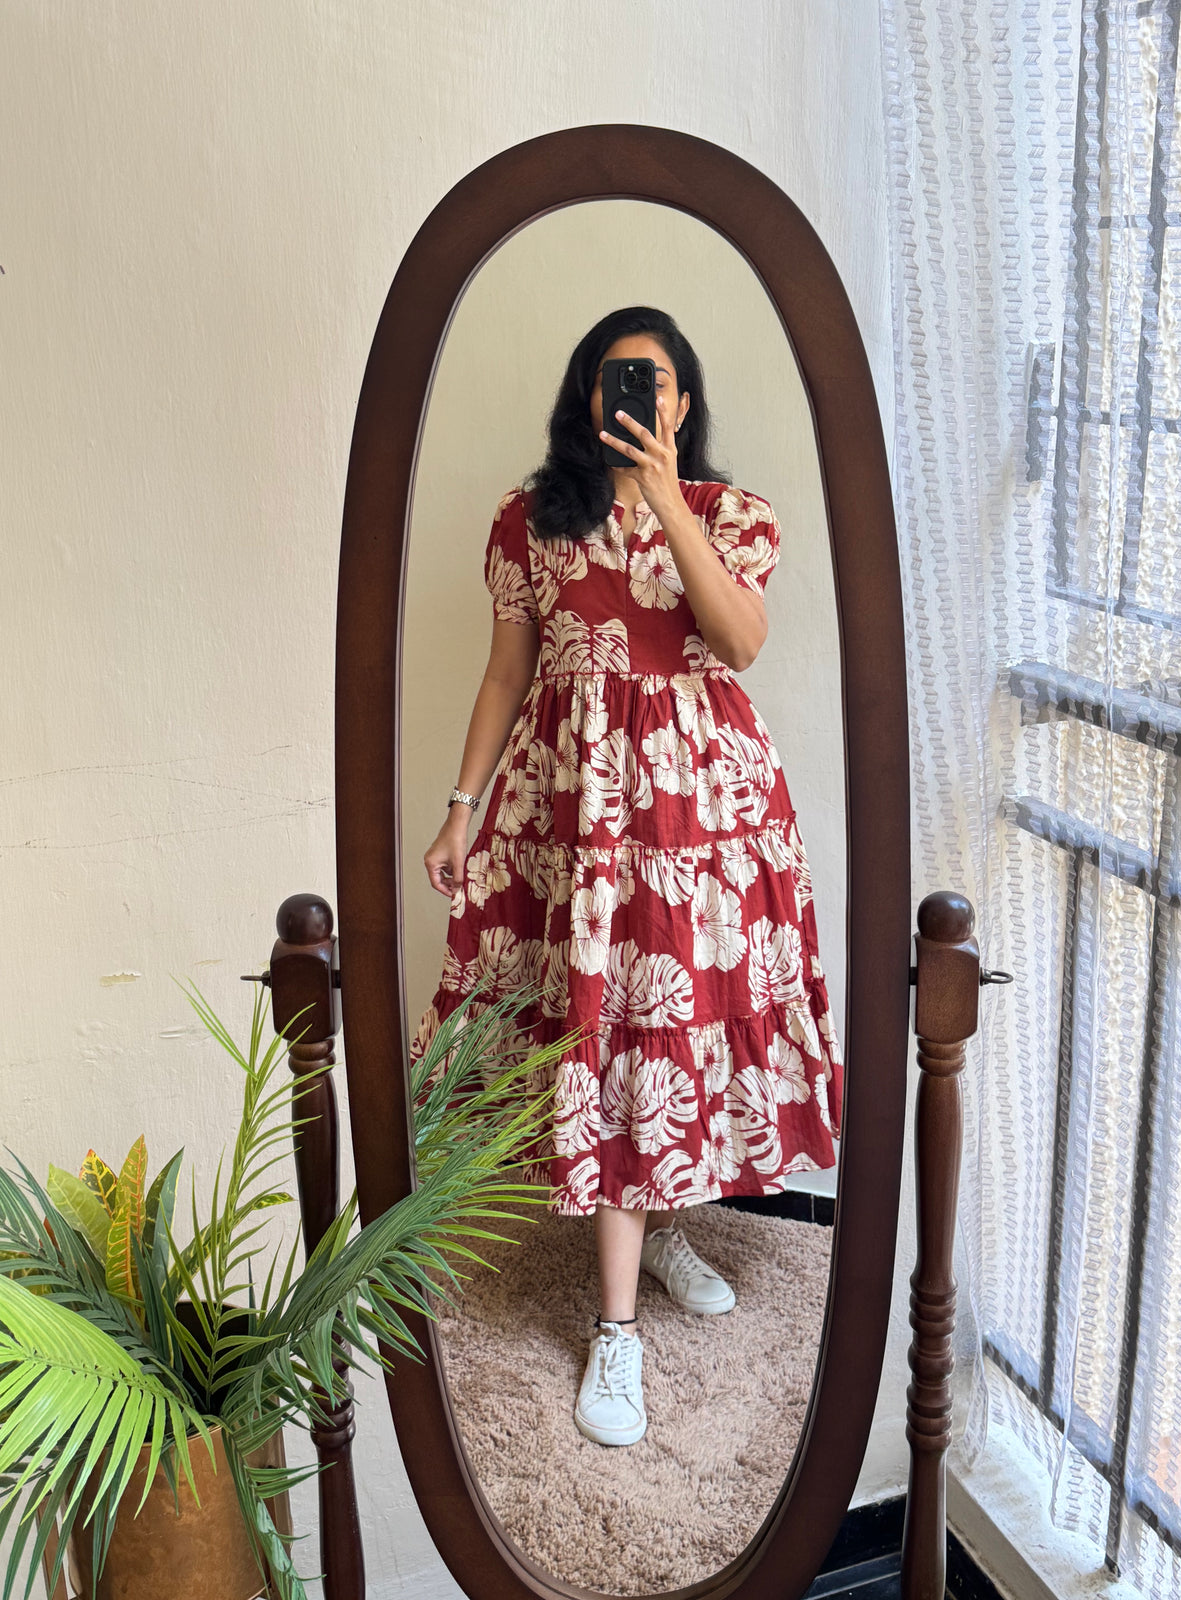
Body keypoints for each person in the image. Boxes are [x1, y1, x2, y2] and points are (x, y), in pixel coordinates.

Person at [409, 305, 843, 1448]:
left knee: (675, 1029)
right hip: (579, 815)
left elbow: (738, 641)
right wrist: (462, 811)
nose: (637, 397)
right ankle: (615, 1329)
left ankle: (660, 1230)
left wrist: (664, 502)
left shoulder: (732, 517)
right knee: (601, 1035)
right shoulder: (526, 523)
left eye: (656, 381)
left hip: (704, 813)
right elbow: (506, 676)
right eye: (617, 379)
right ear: (585, 395)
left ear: (684, 405)